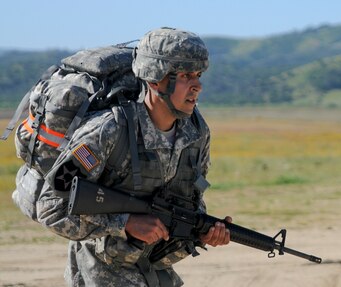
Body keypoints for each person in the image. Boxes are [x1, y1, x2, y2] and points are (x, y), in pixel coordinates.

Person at [36, 27, 231, 287]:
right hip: (101, 272)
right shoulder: (109, 131)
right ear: (154, 79)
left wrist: (203, 230)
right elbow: (51, 206)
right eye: (185, 75)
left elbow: (189, 202)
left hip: (155, 270)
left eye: (198, 75)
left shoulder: (196, 132)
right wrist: (125, 223)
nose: (197, 85)